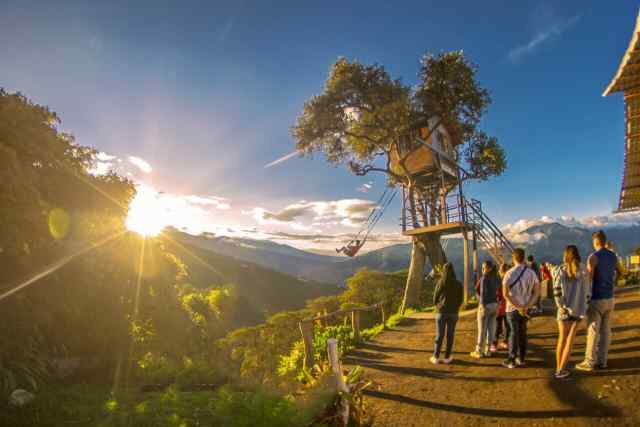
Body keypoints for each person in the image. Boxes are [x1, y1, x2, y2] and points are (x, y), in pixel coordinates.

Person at [576, 231, 624, 371]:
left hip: (597, 298)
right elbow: (621, 272)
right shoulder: (613, 255)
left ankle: (589, 362)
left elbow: (589, 278)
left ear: (595, 242)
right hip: (610, 297)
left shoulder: (593, 257)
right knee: (606, 331)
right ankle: (603, 361)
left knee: (593, 331)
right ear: (604, 241)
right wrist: (612, 283)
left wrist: (584, 296)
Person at [552, 245, 591, 379]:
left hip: (563, 311)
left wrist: (561, 306)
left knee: (561, 339)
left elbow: (556, 291)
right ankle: (562, 369)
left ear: (566, 255)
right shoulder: (584, 270)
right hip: (578, 310)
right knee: (570, 340)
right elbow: (588, 292)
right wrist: (584, 306)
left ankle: (558, 368)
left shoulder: (560, 270)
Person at [501, 249, 540, 369]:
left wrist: (517, 306)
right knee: (523, 333)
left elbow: (505, 294)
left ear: (513, 258)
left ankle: (511, 359)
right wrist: (527, 306)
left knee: (513, 333)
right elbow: (537, 292)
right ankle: (522, 358)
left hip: (512, 308)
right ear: (524, 258)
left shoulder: (509, 273)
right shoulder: (531, 273)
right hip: (525, 308)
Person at [430, 262, 464, 365]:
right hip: (453, 313)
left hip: (442, 312)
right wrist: (456, 308)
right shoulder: (458, 283)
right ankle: (447, 357)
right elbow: (460, 299)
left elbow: (435, 297)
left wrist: (438, 306)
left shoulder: (441, 282)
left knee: (439, 335)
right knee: (450, 335)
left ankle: (436, 357)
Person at [470, 260, 500, 358]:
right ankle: (488, 350)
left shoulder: (484, 278)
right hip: (495, 305)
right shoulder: (496, 277)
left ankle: (479, 351)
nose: (483, 270)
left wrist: (482, 305)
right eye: (482, 268)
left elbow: (482, 293)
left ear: (489, 268)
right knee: (491, 329)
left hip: (486, 305)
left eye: (484, 267)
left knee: (482, 329)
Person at [494, 263, 511, 350]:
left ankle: (494, 344)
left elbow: (497, 292)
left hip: (499, 306)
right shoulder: (509, 279)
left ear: (500, 270)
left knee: (497, 325)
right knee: (508, 325)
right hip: (508, 305)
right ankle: (506, 342)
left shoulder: (498, 280)